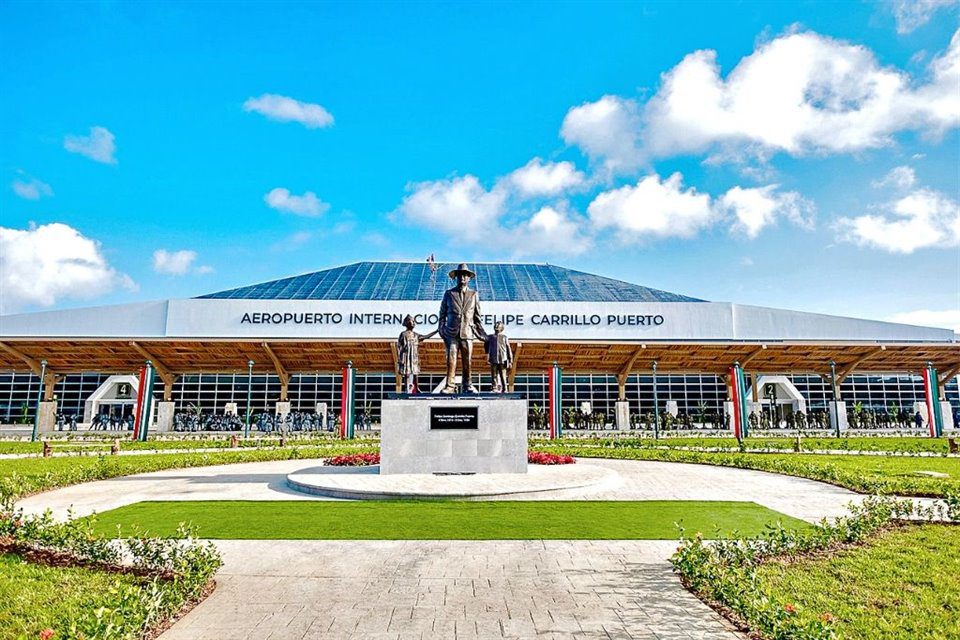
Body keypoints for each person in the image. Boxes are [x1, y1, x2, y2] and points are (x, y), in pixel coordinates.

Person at [438, 263, 487, 393]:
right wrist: (441, 329)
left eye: (465, 275)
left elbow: (477, 318)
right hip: (451, 332)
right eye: (460, 275)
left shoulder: (474, 294)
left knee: (467, 361)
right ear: (456, 277)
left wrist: (482, 335)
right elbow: (442, 314)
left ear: (469, 278)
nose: (462, 278)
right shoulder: (449, 294)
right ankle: (450, 386)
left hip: (467, 332)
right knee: (451, 359)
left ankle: (467, 385)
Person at [396, 315, 436, 394]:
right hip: (406, 356)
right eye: (412, 321)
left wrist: (436, 331)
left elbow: (426, 336)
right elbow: (399, 346)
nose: (414, 323)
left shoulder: (416, 335)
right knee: (407, 372)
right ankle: (407, 389)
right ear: (407, 323)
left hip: (413, 356)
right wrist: (400, 358)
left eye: (414, 321)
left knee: (415, 372)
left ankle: (416, 388)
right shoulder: (403, 334)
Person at [485, 321, 513, 393]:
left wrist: (510, 360)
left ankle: (504, 388)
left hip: (503, 359)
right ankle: (494, 388)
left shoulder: (504, 337)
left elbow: (508, 349)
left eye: (498, 325)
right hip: (493, 358)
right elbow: (486, 347)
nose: (496, 326)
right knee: (493, 375)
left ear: (501, 328)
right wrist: (487, 355)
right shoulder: (490, 337)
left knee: (502, 375)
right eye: (496, 324)